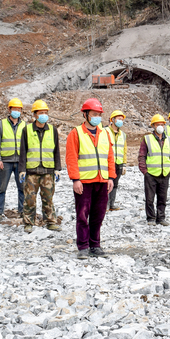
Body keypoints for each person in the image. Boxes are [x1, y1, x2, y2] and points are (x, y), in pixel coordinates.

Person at [66, 98, 115, 259]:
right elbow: (71, 157)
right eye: (94, 114)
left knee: (98, 215)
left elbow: (109, 156)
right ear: (85, 115)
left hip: (101, 181)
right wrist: (75, 179)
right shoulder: (76, 133)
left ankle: (95, 244)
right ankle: (83, 246)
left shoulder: (104, 134)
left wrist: (111, 177)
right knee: (82, 215)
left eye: (99, 114)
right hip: (84, 182)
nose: (97, 117)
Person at [18, 100, 62, 233]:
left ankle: (50, 221)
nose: (44, 115)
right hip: (32, 171)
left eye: (45, 112)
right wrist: (22, 170)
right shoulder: (27, 130)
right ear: (35, 115)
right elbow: (23, 151)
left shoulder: (52, 130)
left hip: (48, 171)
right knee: (29, 199)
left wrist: (57, 169)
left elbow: (56, 151)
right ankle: (29, 222)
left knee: (48, 198)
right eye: (41, 113)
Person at [0, 98, 26, 223]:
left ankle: (22, 211)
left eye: (19, 109)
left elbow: (27, 144)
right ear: (9, 109)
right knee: (2, 188)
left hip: (20, 162)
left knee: (22, 187)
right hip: (5, 162)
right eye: (14, 109)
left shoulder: (24, 125)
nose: (17, 111)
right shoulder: (1, 124)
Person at [139, 114, 170, 226]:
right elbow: (142, 155)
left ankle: (161, 218)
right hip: (151, 174)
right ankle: (151, 218)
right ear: (153, 126)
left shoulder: (168, 139)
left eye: (162, 124)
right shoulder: (147, 139)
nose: (160, 126)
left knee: (162, 198)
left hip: (164, 173)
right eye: (158, 124)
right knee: (149, 198)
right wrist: (145, 171)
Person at [105, 110, 127, 211]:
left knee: (115, 184)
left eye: (122, 119)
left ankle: (111, 204)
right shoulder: (105, 131)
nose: (120, 121)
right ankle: (105, 204)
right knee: (106, 184)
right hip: (107, 163)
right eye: (119, 119)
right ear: (112, 120)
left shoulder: (123, 134)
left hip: (118, 163)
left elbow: (124, 150)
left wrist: (124, 164)